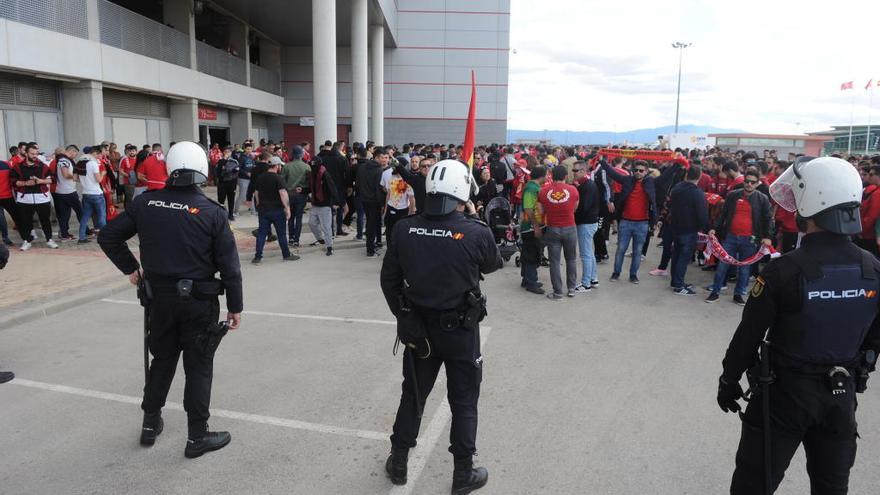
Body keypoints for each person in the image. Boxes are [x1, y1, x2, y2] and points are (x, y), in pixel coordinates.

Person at [717, 156, 880, 494]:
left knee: (753, 485)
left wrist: (729, 379)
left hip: (784, 396)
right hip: (841, 394)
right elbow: (875, 336)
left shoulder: (784, 270)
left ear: (812, 201)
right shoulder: (872, 269)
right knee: (832, 487)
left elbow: (748, 335)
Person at [97, 141, 242, 459]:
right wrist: (236, 306)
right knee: (198, 366)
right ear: (203, 170)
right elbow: (229, 266)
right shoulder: (212, 212)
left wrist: (131, 268)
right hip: (198, 303)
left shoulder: (146, 203)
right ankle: (197, 437)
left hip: (158, 300)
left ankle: (150, 423)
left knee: (162, 360)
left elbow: (107, 235)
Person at [381, 158, 501, 495]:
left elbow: (389, 281)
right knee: (463, 400)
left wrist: (404, 317)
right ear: (462, 190)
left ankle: (400, 461)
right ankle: (463, 473)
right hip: (460, 333)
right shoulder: (476, 232)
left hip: (419, 330)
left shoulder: (404, 229)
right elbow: (492, 264)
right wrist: (472, 219)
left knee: (414, 396)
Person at [706, 170, 772, 305]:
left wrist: (768, 236)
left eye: (752, 182)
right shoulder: (733, 195)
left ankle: (738, 294)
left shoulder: (762, 199)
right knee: (722, 266)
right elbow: (722, 214)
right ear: (744, 181)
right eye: (747, 181)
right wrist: (714, 228)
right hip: (730, 237)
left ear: (757, 183)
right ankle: (715, 292)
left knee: (744, 269)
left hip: (750, 239)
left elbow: (768, 219)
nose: (749, 184)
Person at [600, 158, 660, 284]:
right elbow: (612, 173)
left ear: (646, 171)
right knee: (621, 249)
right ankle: (616, 273)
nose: (638, 172)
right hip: (626, 222)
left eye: (641, 170)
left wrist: (677, 165)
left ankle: (633, 275)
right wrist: (602, 161)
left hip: (642, 223)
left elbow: (665, 178)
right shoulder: (627, 180)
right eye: (636, 170)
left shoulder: (651, 182)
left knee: (637, 251)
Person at [537, 165, 580, 299]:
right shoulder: (573, 190)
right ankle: (572, 288)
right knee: (571, 260)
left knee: (554, 262)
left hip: (553, 228)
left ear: (551, 175)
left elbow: (541, 211)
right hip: (570, 228)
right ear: (566, 176)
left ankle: (558, 292)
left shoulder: (543, 191)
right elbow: (574, 209)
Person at [667, 165, 709, 295]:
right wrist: (707, 228)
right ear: (700, 176)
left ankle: (676, 281)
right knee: (683, 258)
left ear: (687, 174)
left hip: (676, 227)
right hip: (689, 229)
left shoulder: (677, 188)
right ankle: (679, 286)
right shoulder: (697, 192)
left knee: (677, 255)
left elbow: (670, 204)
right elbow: (702, 214)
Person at [10, 143, 57, 250]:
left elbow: (53, 179)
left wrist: (41, 181)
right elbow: (13, 182)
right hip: (24, 198)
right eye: (32, 154)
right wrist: (25, 183)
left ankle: (49, 239)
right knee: (25, 221)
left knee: (45, 220)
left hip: (42, 197)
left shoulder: (43, 166)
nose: (35, 156)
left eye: (36, 153)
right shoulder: (17, 167)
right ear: (26, 153)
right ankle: (27, 241)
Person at [252, 157, 296, 264]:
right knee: (281, 234)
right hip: (277, 210)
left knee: (262, 234)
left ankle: (258, 257)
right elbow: (283, 193)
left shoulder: (260, 177)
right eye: (280, 165)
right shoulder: (278, 178)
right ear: (276, 166)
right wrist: (287, 208)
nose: (280, 167)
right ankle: (286, 255)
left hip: (263, 210)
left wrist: (258, 204)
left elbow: (256, 192)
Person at [572, 161, 600, 292]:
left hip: (586, 223)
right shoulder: (585, 185)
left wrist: (573, 215)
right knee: (589, 253)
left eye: (576, 170)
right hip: (589, 222)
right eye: (573, 170)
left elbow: (584, 207)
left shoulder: (588, 186)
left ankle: (586, 283)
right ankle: (593, 278)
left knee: (585, 254)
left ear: (583, 171)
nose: (574, 173)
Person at [520, 166, 547, 294]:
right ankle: (532, 282)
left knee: (527, 252)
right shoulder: (531, 188)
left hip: (531, 225)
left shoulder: (532, 186)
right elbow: (528, 208)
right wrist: (536, 226)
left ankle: (526, 279)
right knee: (532, 253)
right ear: (541, 176)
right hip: (530, 227)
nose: (547, 177)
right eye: (546, 175)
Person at [355, 145, 385, 256]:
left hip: (364, 200)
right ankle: (370, 249)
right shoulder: (379, 170)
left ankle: (375, 244)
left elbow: (357, 184)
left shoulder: (362, 167)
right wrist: (382, 204)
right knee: (372, 224)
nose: (384, 160)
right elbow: (378, 190)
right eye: (382, 157)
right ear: (376, 157)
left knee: (371, 223)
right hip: (374, 202)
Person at [307, 156, 339, 256]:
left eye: (314, 165)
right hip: (315, 204)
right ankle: (320, 239)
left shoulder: (325, 174)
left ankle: (329, 247)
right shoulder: (312, 174)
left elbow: (332, 188)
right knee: (311, 223)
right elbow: (310, 188)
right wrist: (303, 190)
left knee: (326, 227)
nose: (313, 167)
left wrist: (336, 202)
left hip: (325, 205)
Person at [281, 145, 310, 248]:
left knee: (290, 217)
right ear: (302, 155)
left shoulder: (286, 166)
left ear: (292, 154)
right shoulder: (307, 166)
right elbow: (309, 182)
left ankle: (291, 238)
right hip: (301, 195)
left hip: (289, 194)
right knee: (299, 218)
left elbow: (282, 181)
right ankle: (297, 240)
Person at [53, 145, 83, 241]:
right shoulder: (64, 160)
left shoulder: (62, 160)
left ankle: (64, 233)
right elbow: (66, 174)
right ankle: (85, 231)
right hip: (67, 191)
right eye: (75, 154)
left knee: (65, 214)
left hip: (63, 191)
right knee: (79, 211)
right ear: (72, 151)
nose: (75, 156)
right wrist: (78, 178)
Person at [78, 146, 107, 244]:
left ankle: (81, 237)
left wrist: (86, 180)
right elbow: (98, 180)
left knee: (85, 217)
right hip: (96, 194)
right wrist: (103, 173)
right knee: (101, 216)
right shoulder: (93, 164)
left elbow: (75, 178)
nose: (99, 157)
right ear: (94, 153)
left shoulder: (80, 163)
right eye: (99, 154)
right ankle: (106, 237)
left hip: (86, 193)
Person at [381, 164, 415, 246]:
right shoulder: (391, 178)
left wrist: (410, 215)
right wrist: (385, 211)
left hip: (403, 211)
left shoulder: (408, 180)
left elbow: (412, 199)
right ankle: (390, 251)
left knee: (401, 233)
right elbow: (388, 194)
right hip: (391, 208)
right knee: (389, 232)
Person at [214, 146, 239, 220]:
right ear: (223, 153)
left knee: (231, 199)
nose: (227, 153)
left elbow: (236, 170)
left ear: (231, 153)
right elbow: (218, 172)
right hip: (222, 183)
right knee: (221, 199)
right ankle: (220, 214)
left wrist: (226, 170)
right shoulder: (220, 161)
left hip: (232, 183)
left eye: (229, 152)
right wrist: (224, 162)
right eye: (226, 152)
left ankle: (230, 214)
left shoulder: (234, 161)